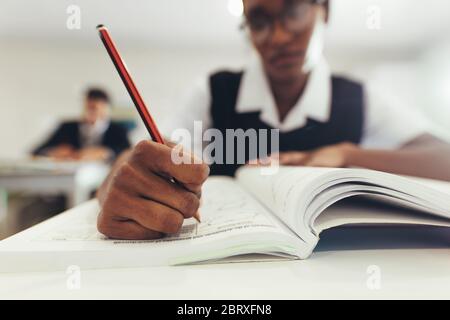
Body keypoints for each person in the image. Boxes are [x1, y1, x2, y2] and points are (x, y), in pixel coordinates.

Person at [96, 0, 450, 240]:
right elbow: (144, 161)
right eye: (260, 21)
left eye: (293, 9)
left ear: (323, 10)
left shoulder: (360, 97)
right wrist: (127, 181)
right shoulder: (213, 90)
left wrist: (346, 155)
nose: (278, 37)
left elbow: (444, 159)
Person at [33, 88, 130, 161]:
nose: (92, 112)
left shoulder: (118, 129)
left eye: (95, 108)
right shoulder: (67, 127)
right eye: (89, 107)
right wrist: (53, 152)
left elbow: (129, 153)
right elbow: (37, 151)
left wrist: (107, 152)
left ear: (106, 109)